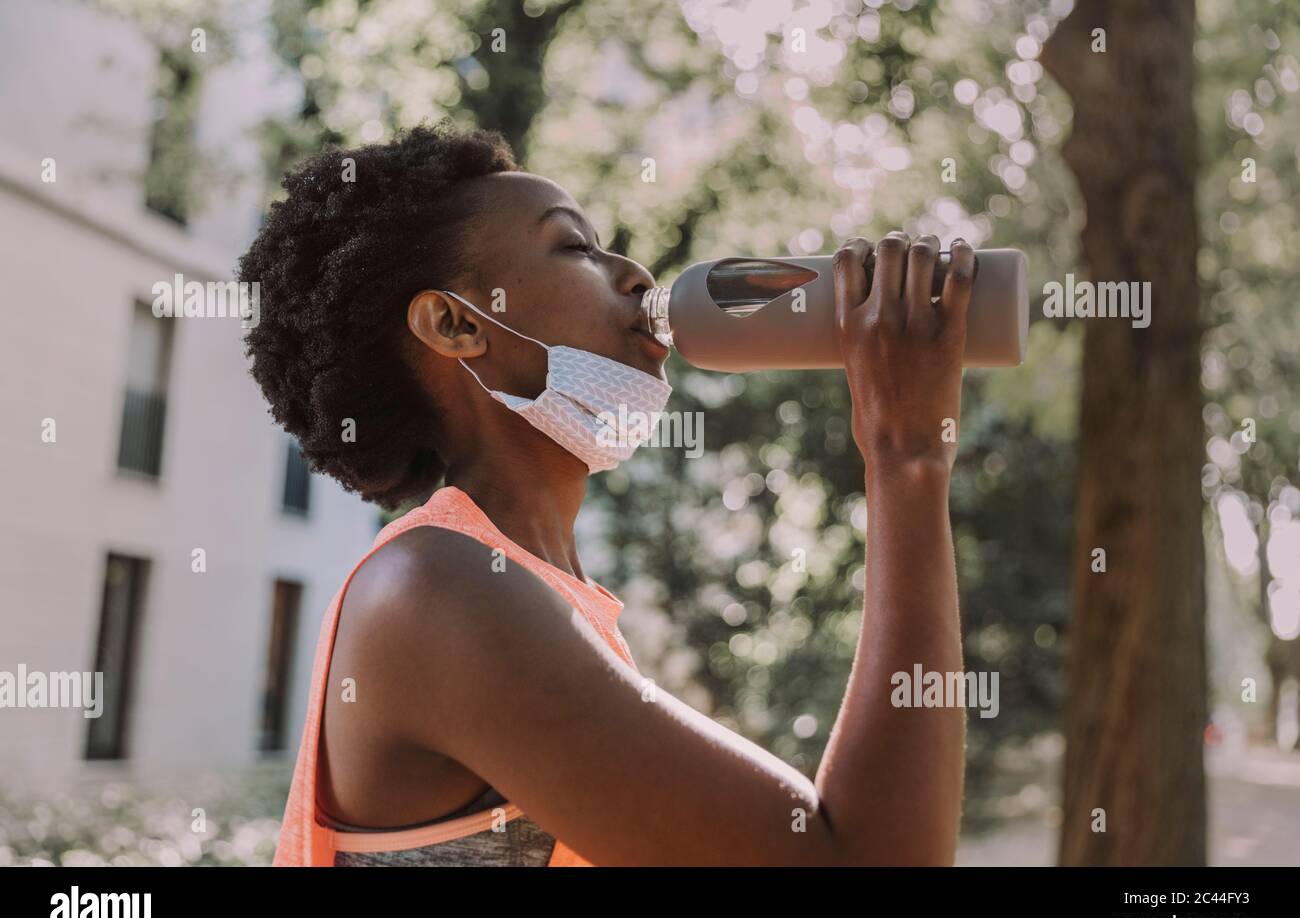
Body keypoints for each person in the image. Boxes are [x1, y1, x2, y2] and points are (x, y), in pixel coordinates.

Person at [239, 119, 971, 866]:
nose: (637, 276)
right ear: (456, 323)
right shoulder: (435, 588)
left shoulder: (536, 594)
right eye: (575, 247)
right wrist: (906, 455)